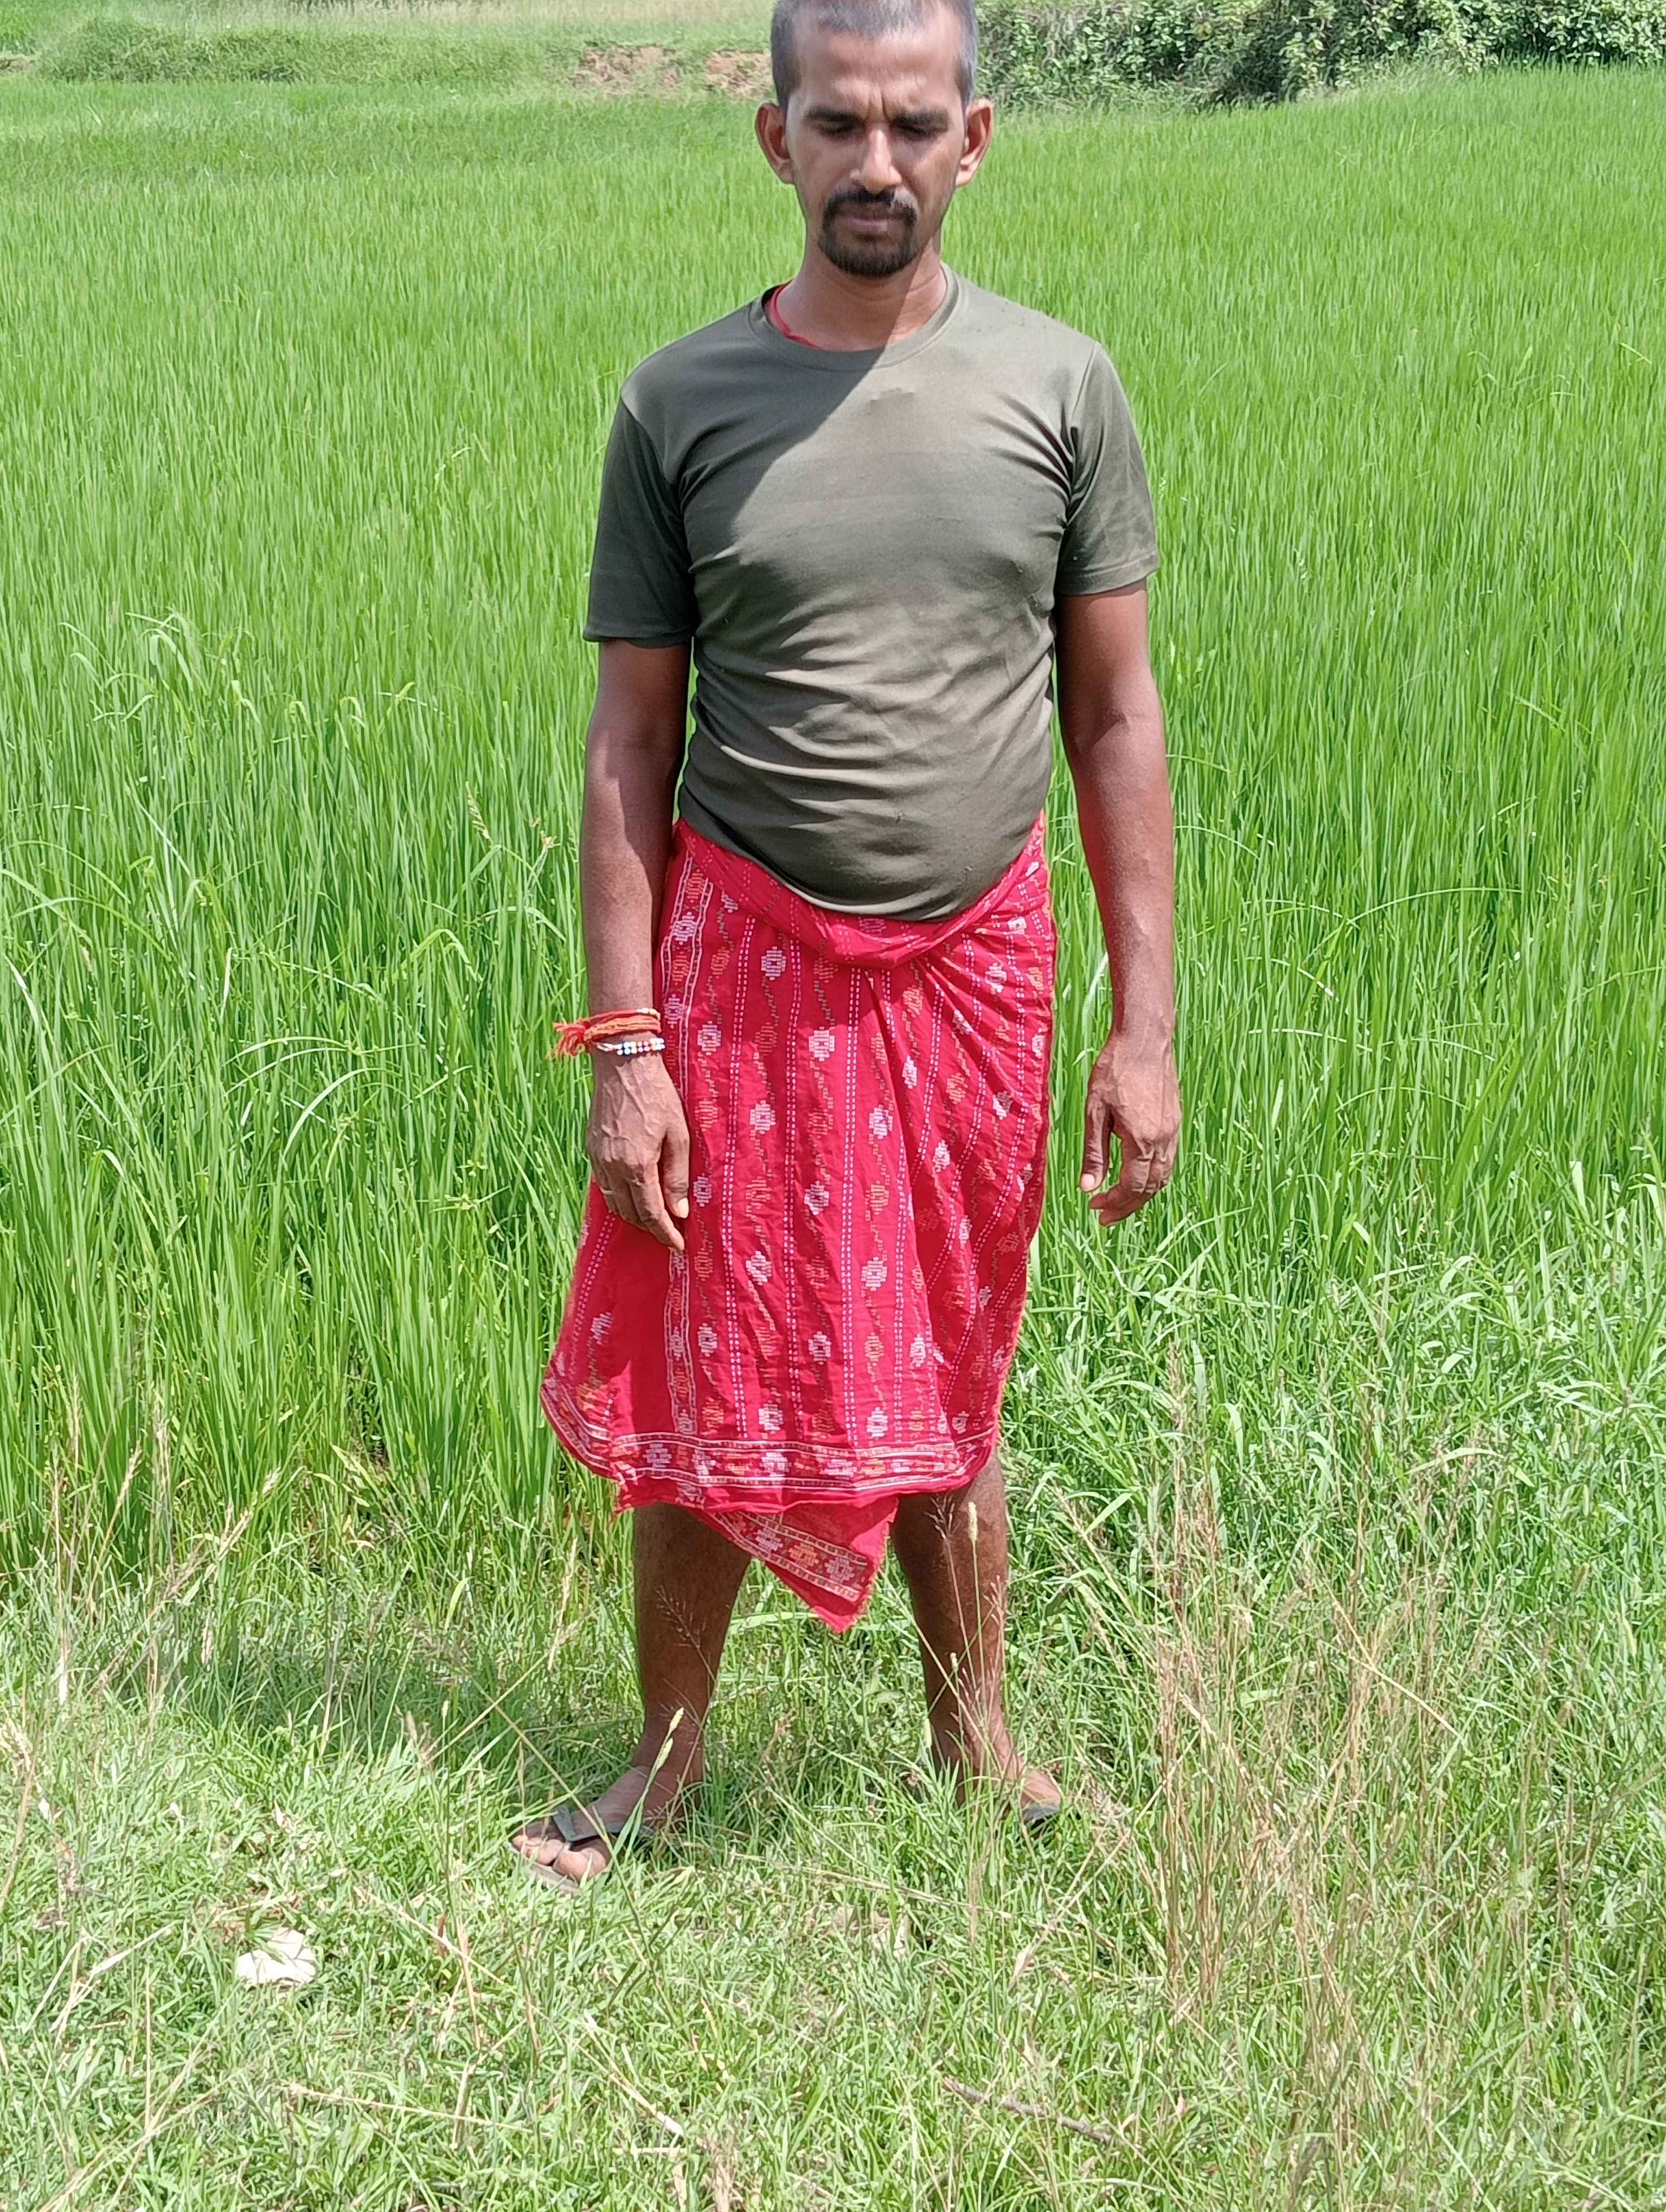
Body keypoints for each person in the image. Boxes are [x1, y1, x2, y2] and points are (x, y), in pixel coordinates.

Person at [510, 0, 1180, 1890]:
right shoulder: (679, 404)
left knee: (955, 1343)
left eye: (909, 124)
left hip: (979, 967)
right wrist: (624, 1044)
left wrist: (1145, 1028)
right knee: (706, 1356)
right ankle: (662, 1767)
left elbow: (1115, 717)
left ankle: (976, 1748)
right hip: (741, 965)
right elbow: (630, 743)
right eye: (836, 124)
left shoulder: (1063, 388)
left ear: (975, 137)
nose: (874, 163)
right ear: (774, 138)